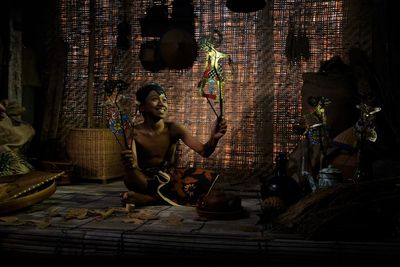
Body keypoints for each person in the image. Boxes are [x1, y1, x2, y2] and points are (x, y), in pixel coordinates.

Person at [120, 83, 227, 206]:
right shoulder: (133, 132)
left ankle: (150, 199)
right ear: (142, 107)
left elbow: (204, 151)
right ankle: (161, 197)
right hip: (143, 178)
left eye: (164, 100)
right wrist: (130, 164)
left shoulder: (174, 128)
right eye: (155, 99)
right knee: (130, 176)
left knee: (204, 178)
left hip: (168, 178)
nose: (162, 104)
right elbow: (132, 165)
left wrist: (214, 138)